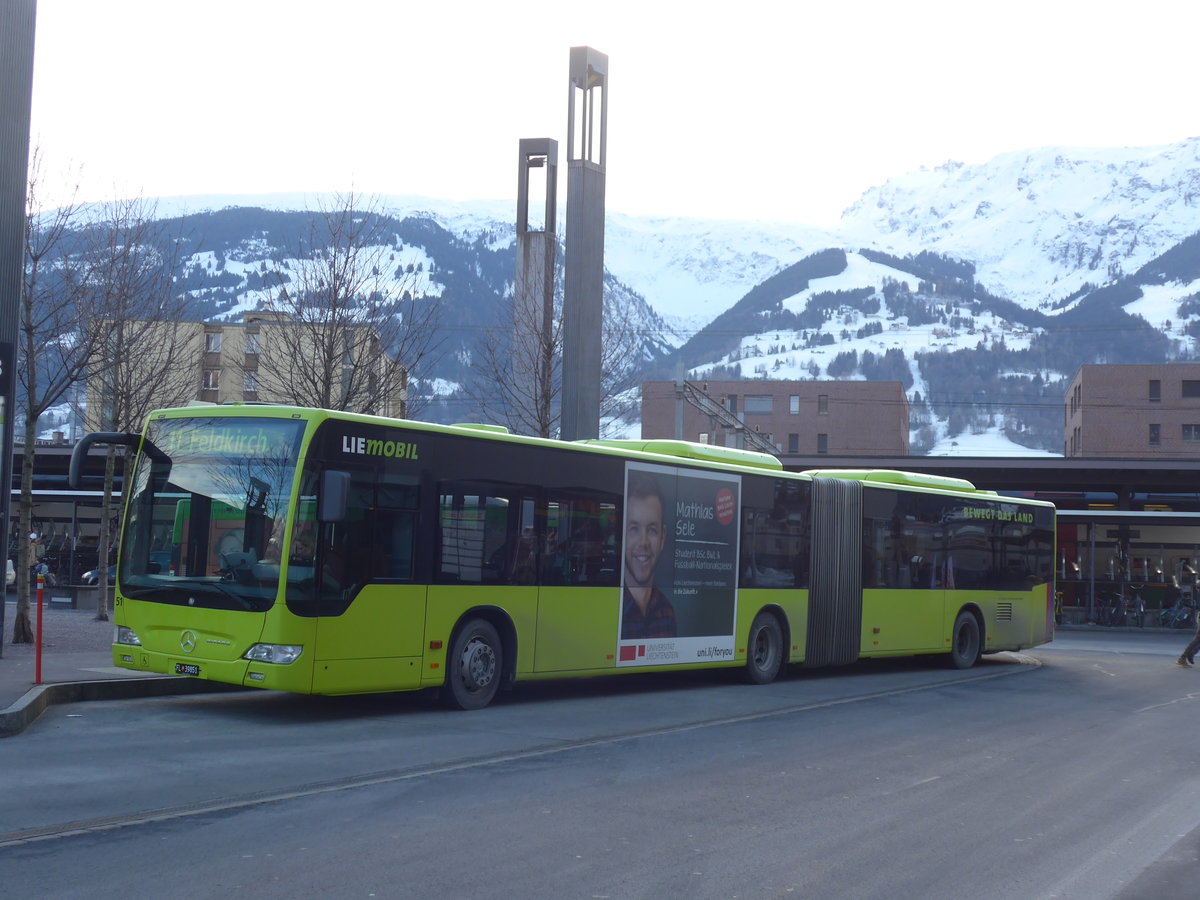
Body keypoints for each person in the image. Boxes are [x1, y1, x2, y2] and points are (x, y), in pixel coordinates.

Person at [621, 471, 676, 640]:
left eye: (652, 530)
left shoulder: (667, 612)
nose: (643, 542)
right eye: (634, 529)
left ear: (662, 538)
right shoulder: (609, 608)